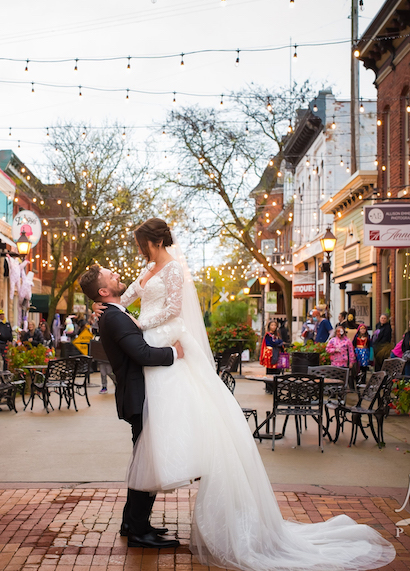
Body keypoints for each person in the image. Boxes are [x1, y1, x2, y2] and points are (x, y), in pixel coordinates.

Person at [89, 218, 394, 570]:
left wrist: (138, 323)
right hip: (152, 350)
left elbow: (173, 309)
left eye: (141, 242)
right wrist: (111, 310)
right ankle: (137, 522)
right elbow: (125, 299)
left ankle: (139, 521)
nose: (139, 249)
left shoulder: (173, 269)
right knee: (150, 441)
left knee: (161, 435)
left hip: (164, 339)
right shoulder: (147, 269)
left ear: (152, 241)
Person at [78, 263, 183, 550]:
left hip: (138, 393)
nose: (117, 274)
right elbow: (141, 353)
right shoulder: (114, 317)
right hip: (138, 395)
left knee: (144, 460)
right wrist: (175, 352)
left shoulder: (113, 313)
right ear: (103, 290)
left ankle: (134, 523)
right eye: (110, 275)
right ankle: (137, 531)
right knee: (147, 462)